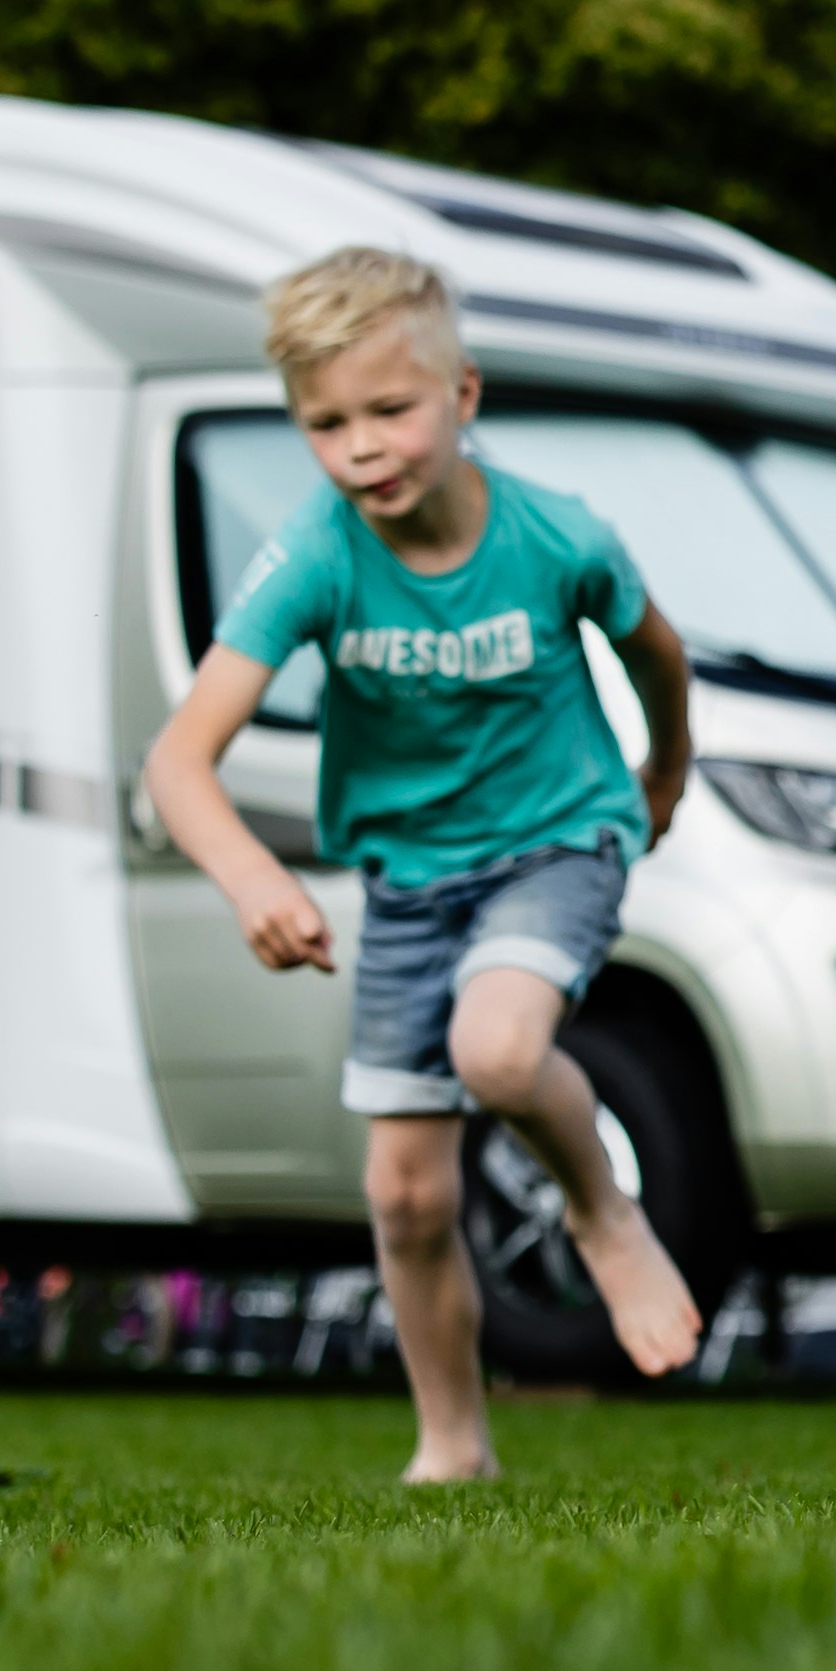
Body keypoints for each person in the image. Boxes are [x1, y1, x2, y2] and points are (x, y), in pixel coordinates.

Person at [143, 247, 705, 1483]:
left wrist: (662, 775)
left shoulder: (558, 536)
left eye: (390, 410)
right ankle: (455, 1442)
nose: (361, 449)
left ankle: (604, 1212)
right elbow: (180, 759)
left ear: (464, 395)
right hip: (408, 879)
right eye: (325, 422)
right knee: (403, 1194)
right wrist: (254, 879)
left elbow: (657, 654)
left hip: (558, 838)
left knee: (497, 1048)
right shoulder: (319, 556)